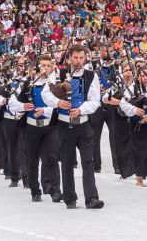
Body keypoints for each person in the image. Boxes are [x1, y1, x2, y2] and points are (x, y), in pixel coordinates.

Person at [42, 45, 104, 210]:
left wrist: (81, 110)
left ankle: (91, 198)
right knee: (67, 162)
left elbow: (95, 100)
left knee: (88, 162)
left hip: (83, 124)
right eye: (75, 58)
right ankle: (70, 199)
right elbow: (45, 94)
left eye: (81, 58)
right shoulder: (59, 74)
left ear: (85, 58)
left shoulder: (91, 76)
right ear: (70, 58)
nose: (78, 61)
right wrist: (57, 102)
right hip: (63, 125)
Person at [9, 54, 61, 202]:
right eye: (43, 66)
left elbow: (60, 105)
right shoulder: (28, 83)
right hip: (32, 127)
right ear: (38, 67)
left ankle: (55, 190)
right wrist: (22, 106)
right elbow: (12, 102)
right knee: (32, 160)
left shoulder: (56, 84)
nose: (45, 69)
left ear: (52, 67)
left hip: (50, 126)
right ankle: (35, 191)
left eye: (48, 66)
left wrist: (46, 111)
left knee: (51, 158)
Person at [119, 65, 147, 188]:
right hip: (136, 125)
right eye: (142, 76)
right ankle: (139, 179)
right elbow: (123, 104)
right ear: (138, 77)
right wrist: (135, 110)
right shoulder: (132, 88)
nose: (145, 78)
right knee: (138, 152)